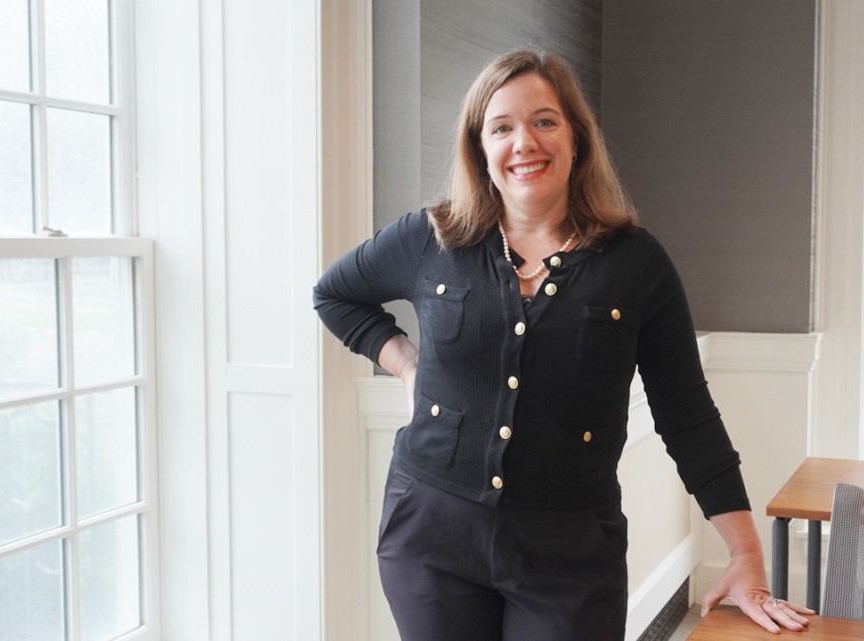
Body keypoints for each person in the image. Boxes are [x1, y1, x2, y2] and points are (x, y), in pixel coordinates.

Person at [313, 49, 811, 641]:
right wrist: (406, 364)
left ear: (576, 138)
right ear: (480, 149)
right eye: (502, 127)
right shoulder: (431, 237)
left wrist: (745, 555)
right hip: (430, 537)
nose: (524, 141)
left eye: (544, 121)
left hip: (571, 554)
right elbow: (334, 295)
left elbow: (687, 414)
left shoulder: (637, 264)